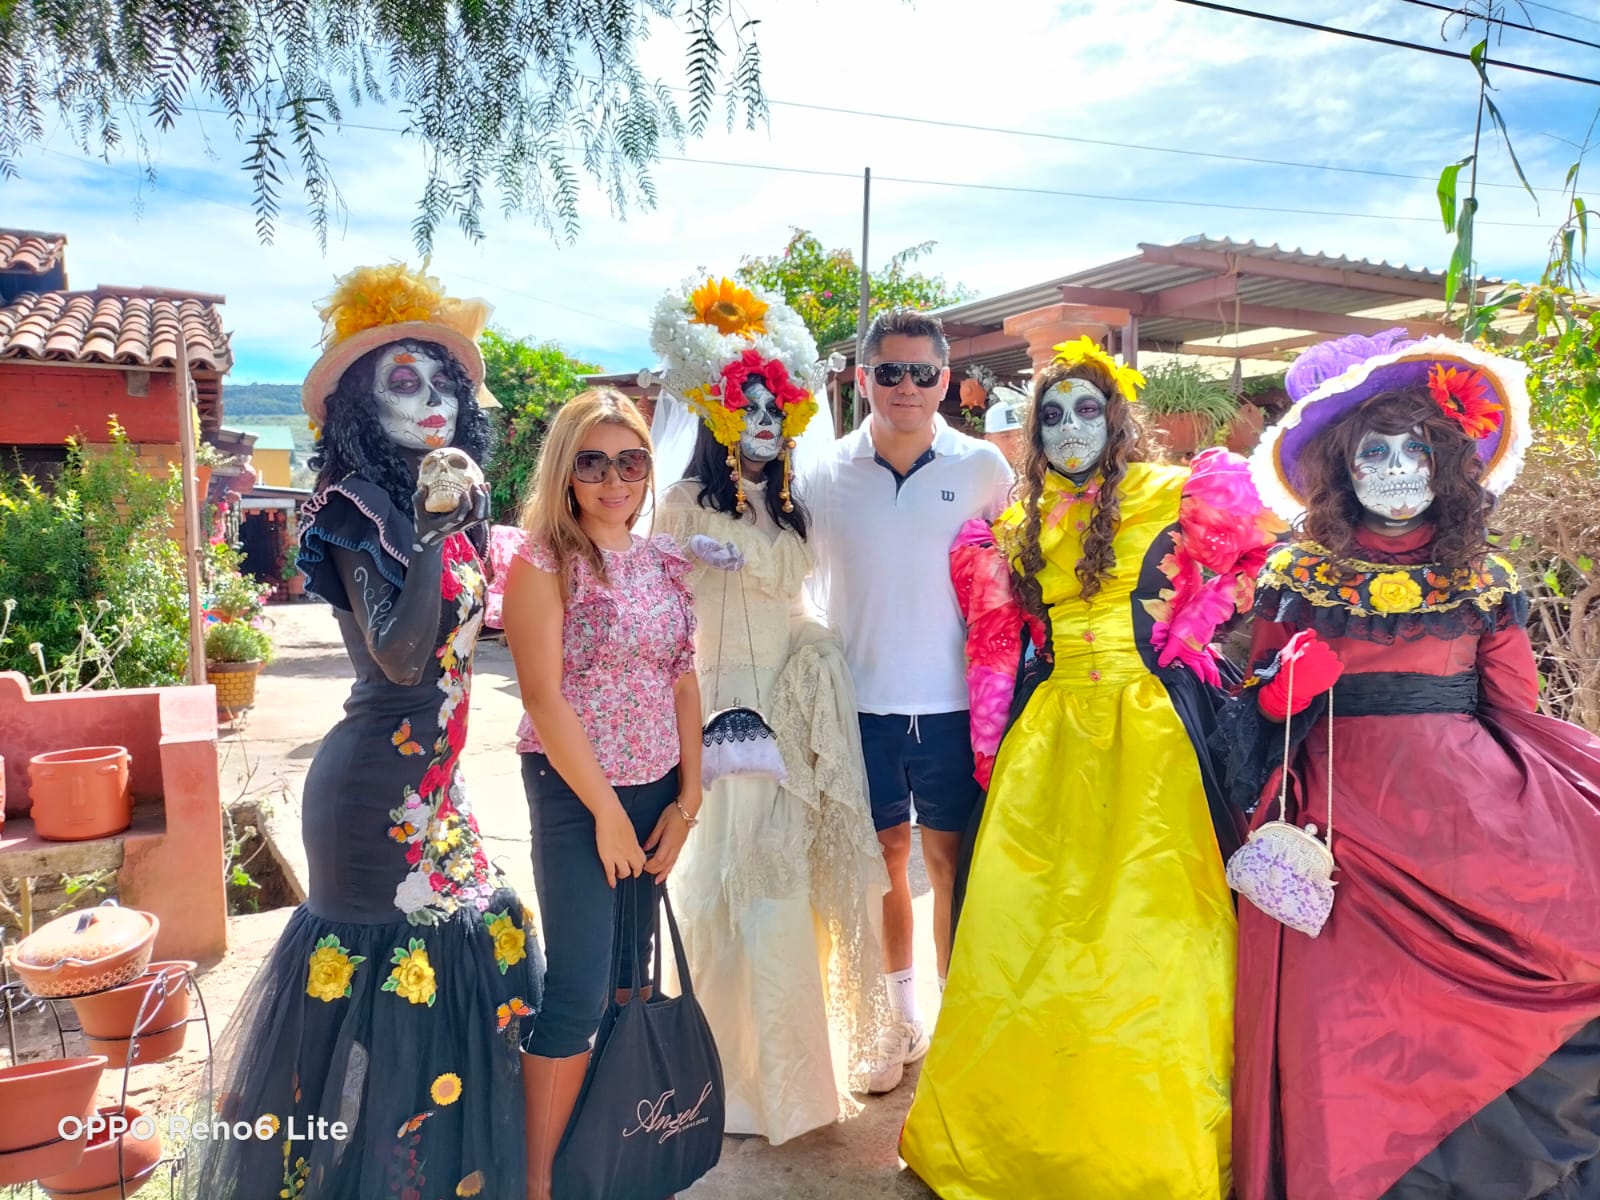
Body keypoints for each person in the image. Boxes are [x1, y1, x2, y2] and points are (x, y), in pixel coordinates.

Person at [191, 264, 544, 1200]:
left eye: (443, 384)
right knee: (377, 999)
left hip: (439, 787)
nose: (431, 403)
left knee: (476, 946)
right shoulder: (355, 512)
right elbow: (397, 658)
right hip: (367, 797)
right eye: (402, 383)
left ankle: (437, 1177)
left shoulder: (456, 510)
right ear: (358, 406)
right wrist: (426, 536)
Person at [899, 337, 1280, 1199]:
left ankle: (1140, 1148)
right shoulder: (1011, 522)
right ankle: (1016, 1137)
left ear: (1117, 417)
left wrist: (1202, 623)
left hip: (1153, 741)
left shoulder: (1178, 492)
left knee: (1151, 936)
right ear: (1035, 430)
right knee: (1024, 934)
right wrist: (992, 746)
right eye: (1053, 413)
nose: (1072, 427)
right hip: (1052, 741)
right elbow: (996, 648)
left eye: (1087, 408)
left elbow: (1263, 559)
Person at [1229, 331, 1600, 1200]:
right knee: (1352, 1016)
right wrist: (1285, 686)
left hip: (1469, 814)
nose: (1395, 467)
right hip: (1341, 822)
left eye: (1414, 449)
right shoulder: (1297, 570)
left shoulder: (1483, 572)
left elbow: (1515, 706)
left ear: (1446, 463)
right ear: (1341, 467)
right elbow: (1259, 701)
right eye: (1374, 451)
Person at [646, 275, 890, 1142]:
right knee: (728, 881)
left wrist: (817, 658)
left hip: (787, 708)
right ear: (715, 416)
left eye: (772, 408)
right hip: (719, 712)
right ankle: (721, 1080)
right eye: (745, 406)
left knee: (785, 889)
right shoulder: (677, 509)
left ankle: (790, 1086)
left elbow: (797, 601)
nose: (761, 421)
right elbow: (659, 616)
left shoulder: (789, 511)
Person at [497, 388, 705, 1200]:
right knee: (580, 988)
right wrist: (609, 816)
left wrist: (687, 804)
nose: (615, 479)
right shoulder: (542, 560)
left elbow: (685, 681)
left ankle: (606, 1163)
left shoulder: (664, 562)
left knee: (632, 978)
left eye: (631, 461)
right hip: (574, 790)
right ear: (566, 469)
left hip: (657, 789)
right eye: (594, 461)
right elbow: (543, 698)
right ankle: (544, 1185)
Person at [803, 308, 1014, 1092]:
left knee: (949, 859)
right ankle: (898, 1021)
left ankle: (959, 1015)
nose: (907, 387)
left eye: (923, 373)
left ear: (946, 381)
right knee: (885, 863)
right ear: (862, 380)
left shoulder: (986, 467)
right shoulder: (821, 473)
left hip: (960, 707)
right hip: (860, 704)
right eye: (888, 372)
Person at [982, 385, 1027, 467]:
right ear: (988, 439)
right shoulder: (979, 476)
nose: (1016, 442)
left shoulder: (1045, 474)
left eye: (1022, 435)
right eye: (1005, 436)